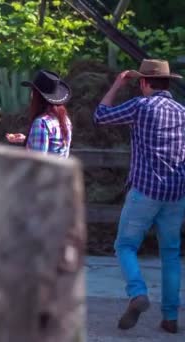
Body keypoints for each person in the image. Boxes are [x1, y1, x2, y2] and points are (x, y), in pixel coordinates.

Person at [93, 59, 185, 334]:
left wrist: (118, 84)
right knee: (170, 253)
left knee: (125, 245)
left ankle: (137, 293)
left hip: (145, 191)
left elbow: (100, 116)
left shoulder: (140, 106)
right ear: (168, 82)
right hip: (177, 193)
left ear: (144, 82)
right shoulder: (182, 112)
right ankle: (170, 317)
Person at [6, 69, 72, 158]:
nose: (31, 95)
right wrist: (27, 140)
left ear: (38, 96)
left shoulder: (41, 123)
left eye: (33, 91)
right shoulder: (65, 120)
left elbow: (38, 162)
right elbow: (55, 148)